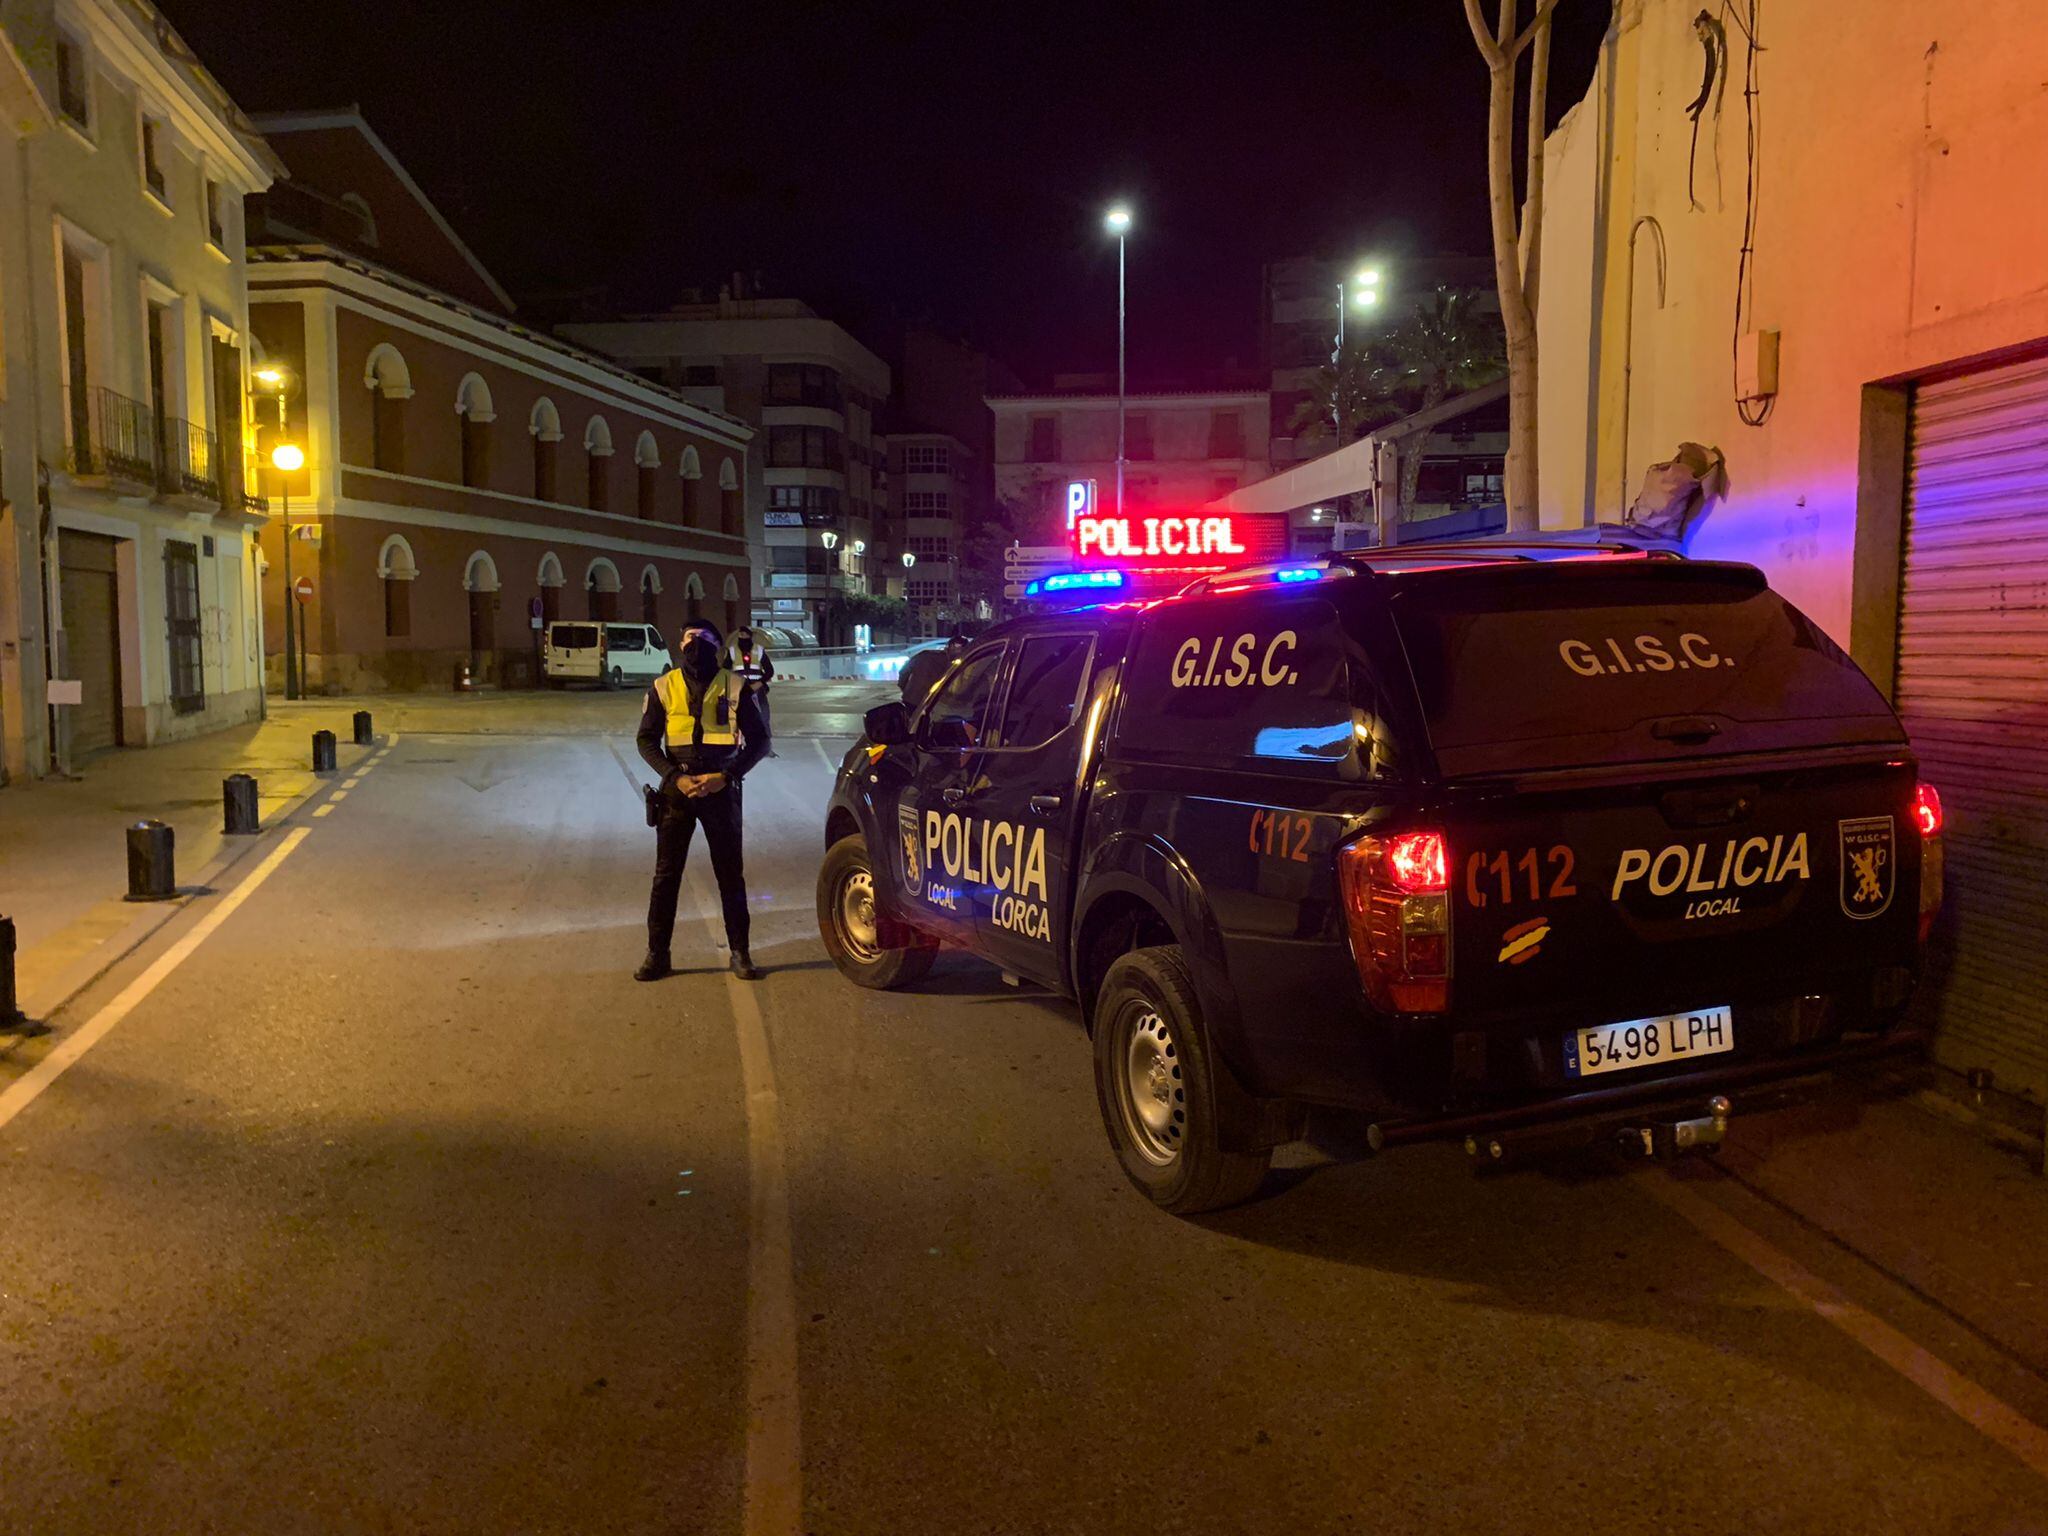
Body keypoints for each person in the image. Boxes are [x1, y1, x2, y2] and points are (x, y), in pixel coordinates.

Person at [635, 618, 769, 982]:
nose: (696, 644)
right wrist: (674, 777)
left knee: (730, 876)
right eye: (690, 638)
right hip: (676, 794)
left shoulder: (735, 685)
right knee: (666, 877)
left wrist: (725, 776)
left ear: (718, 647)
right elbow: (645, 740)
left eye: (704, 638)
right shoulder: (664, 686)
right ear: (680, 646)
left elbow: (761, 742)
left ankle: (740, 953)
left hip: (720, 791)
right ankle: (657, 955)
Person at [727, 626, 775, 748]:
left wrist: (759, 683)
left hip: (757, 689)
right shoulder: (732, 651)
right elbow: (725, 671)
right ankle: (737, 745)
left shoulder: (759, 650)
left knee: (763, 715)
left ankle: (765, 746)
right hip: (739, 689)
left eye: (745, 635)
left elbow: (769, 671)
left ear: (750, 636)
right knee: (737, 717)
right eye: (740, 635)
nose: (742, 637)